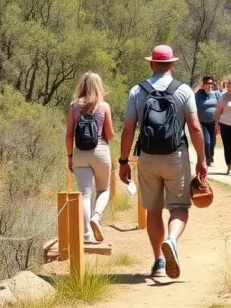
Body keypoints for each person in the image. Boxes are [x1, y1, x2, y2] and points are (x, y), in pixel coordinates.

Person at [118, 45, 208, 279]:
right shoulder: (184, 90)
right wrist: (202, 159)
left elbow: (128, 130)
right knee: (179, 207)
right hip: (175, 157)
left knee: (153, 210)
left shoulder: (137, 92)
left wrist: (123, 160)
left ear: (151, 64)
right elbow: (196, 128)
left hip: (147, 157)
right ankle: (172, 240)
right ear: (172, 64)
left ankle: (159, 262)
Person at [65, 72, 114, 243]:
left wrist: (70, 156)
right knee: (104, 190)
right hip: (100, 150)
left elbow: (69, 135)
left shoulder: (73, 107)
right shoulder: (104, 107)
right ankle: (96, 217)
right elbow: (110, 134)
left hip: (79, 152)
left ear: (82, 85)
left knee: (84, 195)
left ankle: (86, 234)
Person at [194, 75, 221, 167]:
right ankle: (207, 159)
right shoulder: (199, 95)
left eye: (210, 83)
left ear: (213, 84)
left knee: (212, 143)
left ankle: (210, 157)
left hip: (214, 123)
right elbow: (193, 106)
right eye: (207, 83)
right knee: (207, 141)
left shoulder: (217, 94)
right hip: (202, 123)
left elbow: (222, 105)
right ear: (203, 84)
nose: (209, 85)